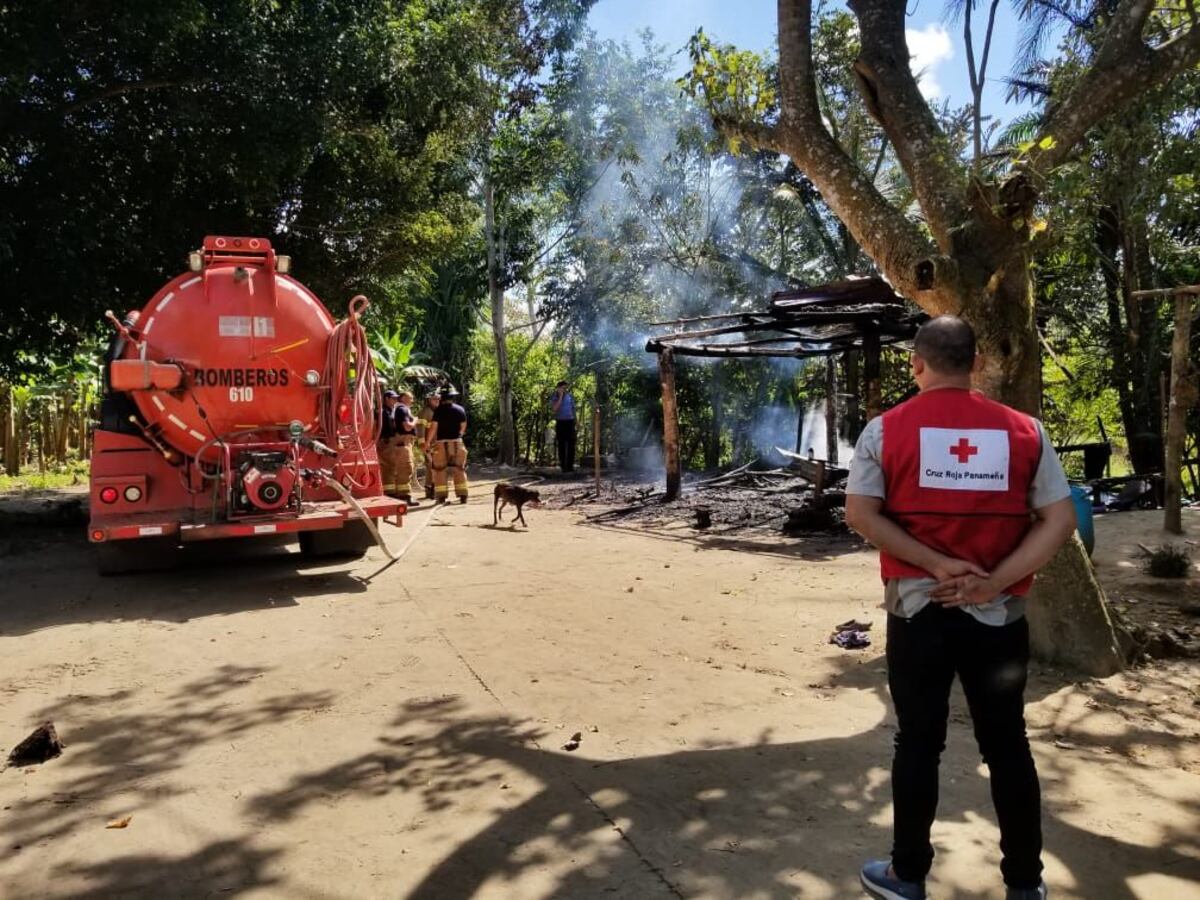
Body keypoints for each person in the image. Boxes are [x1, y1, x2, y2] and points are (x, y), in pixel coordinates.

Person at [845, 316, 1076, 900]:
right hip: (998, 617)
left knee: (918, 742)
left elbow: (861, 514)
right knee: (1007, 744)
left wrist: (935, 566)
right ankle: (1025, 883)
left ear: (917, 364)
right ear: (976, 365)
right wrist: (991, 581)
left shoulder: (885, 430)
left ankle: (907, 875)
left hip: (917, 614)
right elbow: (1061, 519)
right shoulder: (1026, 431)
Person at [429, 385, 469, 503]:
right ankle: (463, 496)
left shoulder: (438, 411)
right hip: (457, 443)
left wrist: (427, 443)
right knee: (459, 469)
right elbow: (463, 427)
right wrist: (459, 435)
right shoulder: (460, 409)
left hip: (441, 444)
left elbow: (433, 428)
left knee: (440, 470)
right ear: (453, 396)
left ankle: (441, 496)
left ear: (442, 397)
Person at [392, 390, 419, 507]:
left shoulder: (399, 409)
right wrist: (415, 421)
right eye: (410, 398)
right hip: (403, 442)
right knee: (406, 468)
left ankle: (400, 494)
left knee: (402, 468)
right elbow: (407, 427)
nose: (412, 400)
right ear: (403, 398)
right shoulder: (402, 409)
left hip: (403, 442)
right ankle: (404, 496)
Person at [377, 390, 402, 499]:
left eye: (396, 399)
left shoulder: (392, 411)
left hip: (393, 441)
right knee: (388, 467)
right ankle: (389, 492)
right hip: (385, 441)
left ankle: (394, 490)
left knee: (394, 466)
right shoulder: (381, 411)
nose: (395, 401)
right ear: (386, 399)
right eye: (393, 398)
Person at [416, 388, 440, 500]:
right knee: (432, 468)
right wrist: (423, 445)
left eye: (438, 399)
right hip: (428, 445)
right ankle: (430, 491)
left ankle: (431, 491)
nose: (437, 401)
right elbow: (420, 429)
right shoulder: (425, 412)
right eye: (434, 399)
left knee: (433, 469)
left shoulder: (435, 412)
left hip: (435, 444)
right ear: (428, 400)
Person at [549, 380, 576, 473]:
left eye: (566, 388)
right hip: (560, 422)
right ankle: (563, 466)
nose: (565, 390)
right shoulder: (554, 397)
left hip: (570, 422)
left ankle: (570, 466)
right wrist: (560, 396)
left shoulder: (570, 396)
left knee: (571, 444)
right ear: (558, 388)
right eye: (563, 388)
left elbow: (573, 408)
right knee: (562, 444)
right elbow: (554, 409)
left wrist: (577, 421)